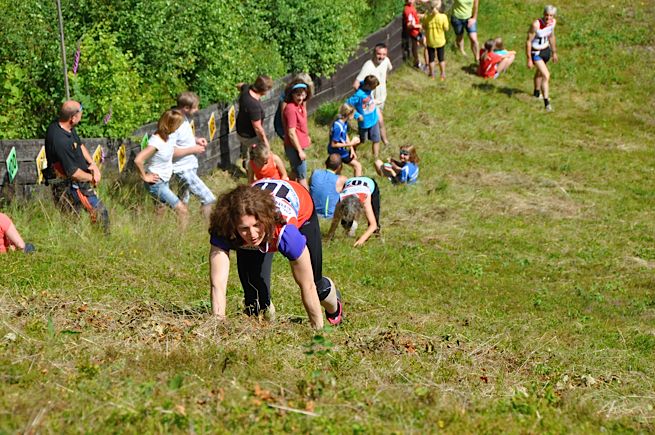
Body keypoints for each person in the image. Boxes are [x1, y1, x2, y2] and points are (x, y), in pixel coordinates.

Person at [208, 180, 343, 329]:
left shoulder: (286, 233)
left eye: (256, 226)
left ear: (265, 220)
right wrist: (218, 327)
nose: (252, 234)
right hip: (259, 200)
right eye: (244, 228)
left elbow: (307, 285)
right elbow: (218, 283)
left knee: (317, 288)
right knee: (256, 301)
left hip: (302, 207)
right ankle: (264, 333)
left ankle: (334, 308)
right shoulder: (224, 229)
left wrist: (318, 334)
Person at [44, 100, 109, 232]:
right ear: (73, 118)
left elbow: (79, 145)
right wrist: (92, 177)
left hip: (78, 182)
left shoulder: (66, 127)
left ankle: (92, 242)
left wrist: (93, 165)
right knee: (100, 213)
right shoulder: (59, 140)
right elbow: (72, 172)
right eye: (80, 112)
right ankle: (103, 242)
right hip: (71, 186)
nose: (82, 114)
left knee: (74, 220)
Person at [134, 110, 205, 227]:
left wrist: (196, 141)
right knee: (182, 210)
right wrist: (144, 176)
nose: (180, 127)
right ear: (171, 124)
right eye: (178, 124)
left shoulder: (169, 137)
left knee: (160, 210)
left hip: (164, 180)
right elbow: (138, 160)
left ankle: (156, 233)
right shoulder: (156, 142)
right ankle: (181, 241)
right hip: (156, 183)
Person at [170, 92, 216, 220]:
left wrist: (196, 140)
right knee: (208, 199)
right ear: (185, 108)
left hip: (189, 167)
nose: (197, 110)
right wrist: (193, 149)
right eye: (195, 107)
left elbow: (182, 139)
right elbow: (171, 151)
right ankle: (209, 228)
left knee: (183, 201)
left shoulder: (183, 119)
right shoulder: (174, 122)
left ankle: (181, 232)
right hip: (182, 169)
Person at [353, 43, 393, 146]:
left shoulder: (386, 61)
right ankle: (385, 142)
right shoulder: (368, 66)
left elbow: (388, 70)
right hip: (372, 101)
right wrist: (363, 97)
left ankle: (363, 141)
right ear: (374, 53)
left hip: (381, 98)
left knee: (372, 122)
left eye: (384, 54)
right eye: (379, 54)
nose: (381, 57)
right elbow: (356, 84)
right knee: (380, 120)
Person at [326, 176, 380, 247]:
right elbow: (335, 220)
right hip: (350, 183)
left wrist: (361, 240)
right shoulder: (341, 200)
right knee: (346, 220)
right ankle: (348, 230)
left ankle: (377, 237)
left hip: (368, 182)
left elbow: (373, 225)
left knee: (374, 217)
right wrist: (329, 236)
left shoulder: (365, 199)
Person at [236, 75, 274, 169]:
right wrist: (265, 143)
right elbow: (257, 128)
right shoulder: (254, 106)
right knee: (257, 155)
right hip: (250, 136)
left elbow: (240, 85)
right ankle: (251, 171)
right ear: (264, 91)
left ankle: (245, 160)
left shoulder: (246, 89)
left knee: (246, 149)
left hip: (240, 130)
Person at [527, 5, 558, 112]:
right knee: (546, 75)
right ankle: (547, 103)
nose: (548, 18)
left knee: (539, 73)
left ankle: (536, 93)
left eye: (551, 16)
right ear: (543, 14)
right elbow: (528, 41)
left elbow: (551, 36)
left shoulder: (553, 23)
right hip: (536, 52)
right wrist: (529, 59)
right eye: (547, 15)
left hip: (546, 50)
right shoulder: (536, 24)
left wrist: (554, 52)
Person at [283, 79, 313, 190]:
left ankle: (285, 187)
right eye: (298, 95)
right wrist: (299, 150)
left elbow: (301, 125)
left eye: (303, 94)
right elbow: (291, 132)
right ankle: (309, 202)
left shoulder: (300, 106)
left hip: (300, 145)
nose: (301, 97)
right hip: (294, 148)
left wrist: (306, 136)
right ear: (292, 94)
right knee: (302, 178)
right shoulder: (291, 109)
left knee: (295, 172)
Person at [347, 75, 381, 158]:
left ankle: (375, 158)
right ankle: (352, 147)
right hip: (364, 122)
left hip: (374, 119)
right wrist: (357, 115)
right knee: (362, 140)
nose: (374, 89)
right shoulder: (359, 95)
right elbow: (347, 105)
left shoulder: (365, 84)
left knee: (376, 139)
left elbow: (360, 81)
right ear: (368, 86)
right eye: (373, 87)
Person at [274, 73, 314, 141]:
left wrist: (305, 133)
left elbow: (304, 111)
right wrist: (286, 134)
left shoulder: (304, 92)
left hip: (294, 122)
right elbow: (283, 116)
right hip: (282, 124)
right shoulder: (287, 95)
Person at [327, 104, 362, 177]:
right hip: (337, 152)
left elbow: (345, 135)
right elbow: (334, 144)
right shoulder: (338, 126)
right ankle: (358, 186)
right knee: (358, 166)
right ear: (349, 114)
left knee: (338, 171)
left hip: (341, 151)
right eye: (353, 113)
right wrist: (350, 144)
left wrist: (351, 148)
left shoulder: (344, 122)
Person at [309, 154, 348, 219]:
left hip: (311, 213)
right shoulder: (342, 180)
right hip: (328, 216)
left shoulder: (315, 173)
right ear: (339, 166)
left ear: (326, 162)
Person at [422, 0, 449, 80]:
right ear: (439, 6)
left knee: (431, 59)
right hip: (440, 41)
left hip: (430, 41)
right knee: (441, 58)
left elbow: (424, 27)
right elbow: (446, 28)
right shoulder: (443, 17)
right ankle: (442, 75)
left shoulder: (427, 17)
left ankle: (432, 75)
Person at [403, 0, 424, 69]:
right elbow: (409, 25)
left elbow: (413, 16)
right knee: (425, 45)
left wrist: (419, 16)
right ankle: (419, 62)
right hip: (414, 31)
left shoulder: (411, 6)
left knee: (415, 46)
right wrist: (419, 26)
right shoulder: (407, 10)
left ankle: (417, 62)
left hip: (416, 31)